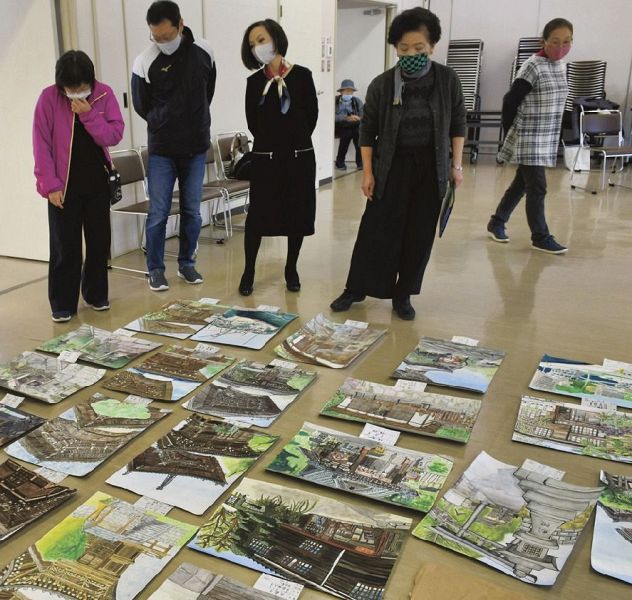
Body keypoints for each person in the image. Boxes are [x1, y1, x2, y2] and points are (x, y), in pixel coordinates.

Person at [330, 7, 465, 320]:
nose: (411, 54)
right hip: (390, 165)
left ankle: (403, 294)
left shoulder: (447, 80)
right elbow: (367, 131)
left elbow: (458, 124)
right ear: (395, 49)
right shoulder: (382, 84)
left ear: (432, 46)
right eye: (403, 49)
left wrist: (456, 166)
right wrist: (367, 172)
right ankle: (356, 287)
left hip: (432, 168)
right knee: (375, 229)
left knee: (418, 233)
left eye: (418, 48)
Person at [33, 50, 124, 323]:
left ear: (91, 80)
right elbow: (41, 145)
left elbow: (114, 134)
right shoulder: (48, 98)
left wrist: (88, 114)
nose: (75, 92)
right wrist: (49, 185)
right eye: (69, 88)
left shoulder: (104, 95)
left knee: (99, 243)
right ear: (61, 84)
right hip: (63, 187)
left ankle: (96, 294)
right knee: (65, 246)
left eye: (80, 87)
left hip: (97, 183)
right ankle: (62, 303)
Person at [131, 0, 217, 291]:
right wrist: (163, 121)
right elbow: (142, 105)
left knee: (192, 210)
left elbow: (209, 90)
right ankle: (155, 268)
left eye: (167, 36)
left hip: (195, 148)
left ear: (180, 25)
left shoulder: (204, 51)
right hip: (162, 150)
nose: (162, 42)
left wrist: (195, 121)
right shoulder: (144, 61)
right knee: (159, 212)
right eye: (156, 37)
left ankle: (186, 265)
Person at [238, 19, 318, 296]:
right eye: (252, 44)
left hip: (299, 157)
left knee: (297, 212)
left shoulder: (303, 76)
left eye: (261, 40)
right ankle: (249, 270)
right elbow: (253, 123)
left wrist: (291, 138)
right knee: (258, 216)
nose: (258, 47)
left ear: (275, 38)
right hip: (266, 158)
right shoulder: (253, 82)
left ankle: (291, 267)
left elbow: (311, 117)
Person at [487, 18, 573, 254]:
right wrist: (508, 133)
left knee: (521, 185)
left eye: (566, 41)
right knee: (538, 187)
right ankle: (540, 236)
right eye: (555, 41)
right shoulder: (532, 65)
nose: (560, 46)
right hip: (529, 136)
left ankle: (497, 222)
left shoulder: (561, 65)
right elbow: (510, 101)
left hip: (547, 136)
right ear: (544, 41)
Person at [335, 79, 363, 170]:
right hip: (340, 126)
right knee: (346, 134)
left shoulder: (357, 101)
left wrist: (358, 118)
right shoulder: (335, 101)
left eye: (351, 91)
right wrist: (346, 118)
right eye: (347, 91)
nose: (349, 93)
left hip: (355, 125)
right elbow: (332, 117)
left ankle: (360, 162)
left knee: (359, 135)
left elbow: (363, 115)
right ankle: (340, 162)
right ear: (341, 91)